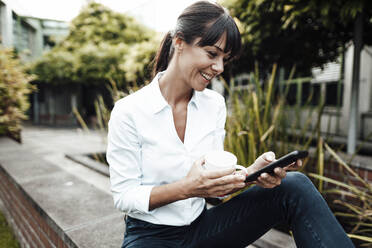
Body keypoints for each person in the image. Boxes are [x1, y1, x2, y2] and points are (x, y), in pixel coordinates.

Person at [107, 1, 355, 247]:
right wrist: (188, 188)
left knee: (295, 186)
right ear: (179, 42)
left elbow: (216, 188)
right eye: (212, 54)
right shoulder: (129, 111)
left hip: (202, 229)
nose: (219, 67)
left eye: (225, 58)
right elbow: (125, 196)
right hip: (150, 237)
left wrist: (250, 175)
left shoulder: (213, 104)